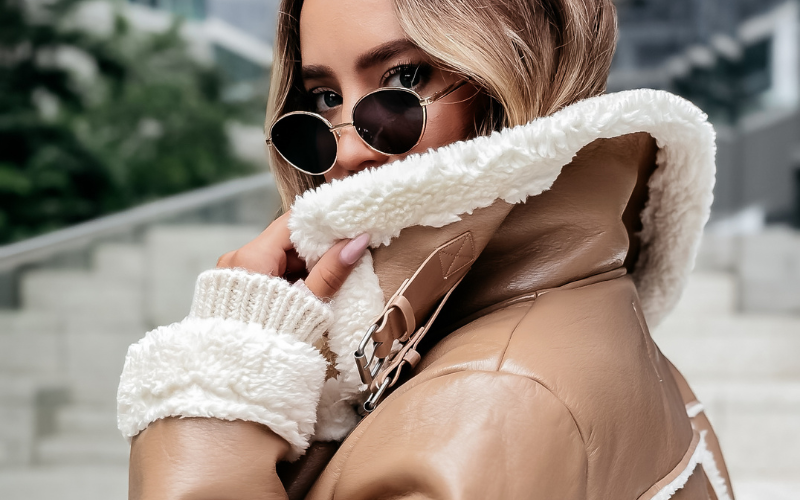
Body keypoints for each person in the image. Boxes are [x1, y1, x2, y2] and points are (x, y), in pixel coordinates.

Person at [116, 0, 734, 498]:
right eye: (325, 98)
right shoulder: (580, 318)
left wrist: (216, 389)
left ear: (511, 78)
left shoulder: (488, 401)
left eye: (403, 79)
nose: (347, 149)